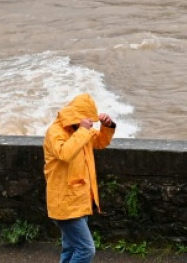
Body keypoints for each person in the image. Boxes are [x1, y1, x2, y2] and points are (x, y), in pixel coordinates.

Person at [43, 93, 116, 263]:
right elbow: (64, 153)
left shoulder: (80, 130)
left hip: (80, 200)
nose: (90, 124)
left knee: (70, 248)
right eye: (88, 119)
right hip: (65, 204)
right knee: (86, 250)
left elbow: (100, 142)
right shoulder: (56, 132)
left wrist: (108, 126)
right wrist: (83, 130)